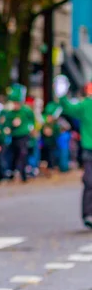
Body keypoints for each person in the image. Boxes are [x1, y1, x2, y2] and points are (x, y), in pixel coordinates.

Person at [54, 75, 92, 227]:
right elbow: (69, 108)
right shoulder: (87, 105)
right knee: (90, 181)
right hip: (89, 149)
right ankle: (88, 213)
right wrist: (62, 96)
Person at [6, 84, 34, 182]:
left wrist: (31, 128)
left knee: (23, 153)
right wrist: (11, 125)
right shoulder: (10, 113)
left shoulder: (26, 110)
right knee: (14, 154)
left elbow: (32, 120)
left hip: (24, 135)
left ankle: (23, 173)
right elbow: (7, 123)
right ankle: (13, 171)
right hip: (15, 135)